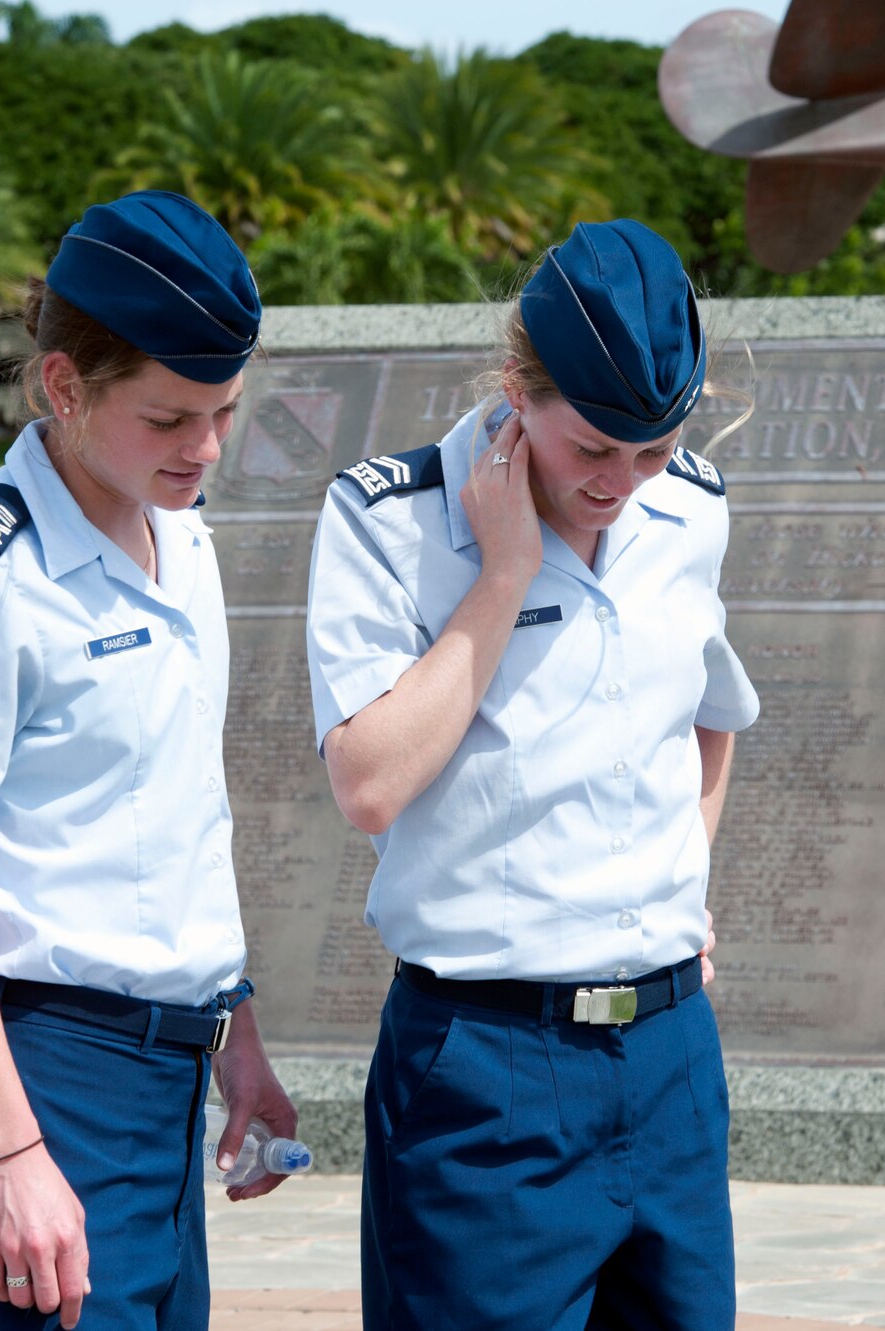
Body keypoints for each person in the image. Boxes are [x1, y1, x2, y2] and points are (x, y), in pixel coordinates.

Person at [304, 218, 760, 1330]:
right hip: (486, 1067)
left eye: (651, 449)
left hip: (668, 1060)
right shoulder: (388, 519)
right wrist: (502, 573)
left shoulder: (687, 508)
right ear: (517, 386)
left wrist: (676, 883)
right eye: (593, 446)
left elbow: (710, 714)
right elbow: (367, 780)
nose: (621, 482)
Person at [0, 190, 296, 1330]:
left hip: (163, 1089)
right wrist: (10, 1151)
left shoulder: (184, 544)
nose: (203, 449)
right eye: (168, 419)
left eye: (224, 412)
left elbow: (177, 817)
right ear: (63, 385)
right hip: (34, 1080)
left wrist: (234, 1034)